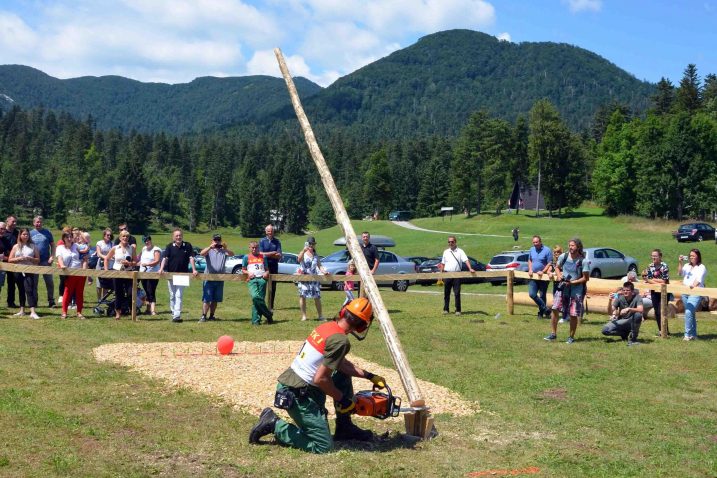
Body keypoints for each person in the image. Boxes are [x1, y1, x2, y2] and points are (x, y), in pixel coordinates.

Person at [249, 298, 387, 453]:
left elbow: (338, 363)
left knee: (341, 375)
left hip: (296, 384)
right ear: (362, 326)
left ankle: (344, 428)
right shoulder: (341, 341)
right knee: (323, 446)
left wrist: (369, 376)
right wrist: (343, 399)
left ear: (343, 312)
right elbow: (321, 379)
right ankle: (274, 424)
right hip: (297, 393)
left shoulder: (328, 327)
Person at [544, 237, 589, 344]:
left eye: (572, 245)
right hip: (562, 286)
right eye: (569, 245)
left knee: (573, 313)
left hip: (576, 289)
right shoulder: (563, 256)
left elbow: (586, 278)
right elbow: (557, 267)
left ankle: (571, 337)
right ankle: (553, 334)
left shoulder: (584, 261)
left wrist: (572, 282)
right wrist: (559, 276)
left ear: (578, 247)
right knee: (555, 308)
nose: (570, 247)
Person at [159, 228, 197, 323]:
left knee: (179, 295)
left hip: (183, 275)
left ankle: (177, 315)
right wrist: (161, 268)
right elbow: (165, 258)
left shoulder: (187, 245)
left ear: (182, 236)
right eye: (176, 235)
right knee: (172, 295)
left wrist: (194, 269)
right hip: (170, 274)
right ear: (173, 237)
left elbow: (191, 258)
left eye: (180, 235)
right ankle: (173, 312)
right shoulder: (169, 246)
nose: (178, 237)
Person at [199, 234, 234, 322]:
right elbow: (201, 253)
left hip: (220, 278)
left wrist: (225, 248)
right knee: (207, 298)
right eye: (215, 240)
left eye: (219, 240)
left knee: (215, 299)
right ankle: (203, 316)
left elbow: (232, 254)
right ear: (212, 241)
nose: (217, 242)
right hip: (209, 277)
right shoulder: (209, 250)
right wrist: (210, 247)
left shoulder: (223, 251)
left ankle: (211, 315)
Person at [8, 228, 41, 319]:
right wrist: (19, 259)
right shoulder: (16, 246)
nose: (26, 236)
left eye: (27, 234)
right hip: (18, 271)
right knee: (21, 290)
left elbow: (38, 260)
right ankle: (22, 310)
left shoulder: (33, 246)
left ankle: (32, 311)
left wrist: (30, 258)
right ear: (20, 235)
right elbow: (10, 260)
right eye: (24, 234)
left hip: (29, 271)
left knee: (29, 289)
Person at [438, 235, 475, 316]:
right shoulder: (445, 252)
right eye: (449, 242)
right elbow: (442, 264)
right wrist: (440, 275)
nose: (450, 243)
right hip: (447, 274)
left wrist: (470, 268)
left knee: (457, 293)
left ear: (455, 242)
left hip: (457, 274)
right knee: (446, 293)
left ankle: (458, 310)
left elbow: (466, 260)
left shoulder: (460, 251)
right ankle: (446, 309)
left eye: (452, 242)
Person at [104, 230, 136, 320]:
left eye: (127, 237)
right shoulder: (115, 248)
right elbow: (106, 259)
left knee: (130, 293)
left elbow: (135, 261)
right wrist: (106, 271)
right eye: (123, 236)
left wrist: (129, 263)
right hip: (117, 272)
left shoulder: (131, 248)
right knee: (119, 293)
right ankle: (118, 313)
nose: (125, 238)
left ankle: (132, 311)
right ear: (120, 238)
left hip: (128, 272)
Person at [56, 231, 88, 319]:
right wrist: (62, 265)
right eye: (67, 237)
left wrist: (84, 269)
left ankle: (79, 312)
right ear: (63, 239)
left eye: (70, 237)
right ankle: (64, 312)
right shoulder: (60, 248)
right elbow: (59, 258)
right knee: (67, 292)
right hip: (69, 273)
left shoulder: (76, 246)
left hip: (80, 272)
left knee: (79, 293)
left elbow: (85, 252)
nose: (69, 239)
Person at [601, 281, 644, 345]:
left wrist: (629, 309)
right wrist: (610, 301)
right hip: (622, 321)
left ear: (632, 291)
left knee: (638, 315)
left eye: (627, 290)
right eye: (624, 290)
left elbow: (640, 309)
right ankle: (624, 334)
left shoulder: (637, 297)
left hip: (632, 320)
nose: (625, 292)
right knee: (605, 330)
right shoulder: (620, 298)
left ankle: (633, 339)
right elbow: (610, 312)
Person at [242, 241, 274, 325]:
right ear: (249, 248)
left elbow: (267, 270)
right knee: (255, 297)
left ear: (258, 248)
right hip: (252, 280)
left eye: (256, 247)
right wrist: (248, 273)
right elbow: (243, 269)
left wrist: (266, 273)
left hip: (262, 280)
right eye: (252, 247)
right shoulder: (246, 257)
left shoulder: (263, 257)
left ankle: (255, 321)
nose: (254, 249)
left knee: (258, 301)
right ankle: (268, 314)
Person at [297, 236, 328, 321]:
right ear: (307, 244)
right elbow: (299, 259)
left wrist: (324, 272)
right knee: (302, 296)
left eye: (313, 244)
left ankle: (320, 316)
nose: (311, 245)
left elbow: (320, 266)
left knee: (317, 297)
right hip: (304, 278)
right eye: (310, 243)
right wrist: (303, 250)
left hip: (314, 278)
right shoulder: (303, 253)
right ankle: (304, 316)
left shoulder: (316, 255)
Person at [678, 248, 706, 341]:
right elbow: (680, 273)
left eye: (693, 256)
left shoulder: (701, 267)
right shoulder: (686, 265)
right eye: (690, 256)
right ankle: (694, 335)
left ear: (698, 257)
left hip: (695, 292)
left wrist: (692, 287)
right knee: (691, 313)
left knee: (688, 312)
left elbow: (698, 280)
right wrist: (680, 262)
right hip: (685, 292)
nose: (691, 257)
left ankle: (687, 335)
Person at [643, 249, 670, 337]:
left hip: (664, 292)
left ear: (660, 257)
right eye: (652, 256)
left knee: (661, 311)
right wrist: (656, 281)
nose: (653, 257)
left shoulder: (664, 266)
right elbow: (649, 279)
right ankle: (661, 330)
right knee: (656, 312)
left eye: (655, 256)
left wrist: (651, 280)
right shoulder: (650, 266)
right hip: (654, 291)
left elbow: (665, 281)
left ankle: (664, 330)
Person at [29, 215, 55, 307]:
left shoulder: (47, 232)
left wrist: (52, 256)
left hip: (45, 261)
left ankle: (51, 301)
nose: (38, 224)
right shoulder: (30, 233)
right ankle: (34, 301)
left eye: (40, 222)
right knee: (34, 283)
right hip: (34, 261)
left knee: (49, 282)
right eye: (37, 222)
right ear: (33, 223)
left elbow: (52, 245)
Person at [527, 235, 552, 319]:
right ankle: (545, 309)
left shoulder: (547, 250)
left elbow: (549, 263)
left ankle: (541, 314)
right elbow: (530, 260)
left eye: (536, 242)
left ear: (540, 242)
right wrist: (530, 269)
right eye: (533, 242)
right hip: (533, 276)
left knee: (542, 295)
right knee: (532, 294)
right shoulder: (531, 249)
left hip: (543, 277)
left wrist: (543, 271)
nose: (535, 244)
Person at [259, 224, 282, 312]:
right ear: (266, 232)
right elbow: (260, 254)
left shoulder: (277, 241)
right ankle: (262, 304)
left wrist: (267, 255)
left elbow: (279, 255)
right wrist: (273, 253)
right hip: (263, 267)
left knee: (273, 287)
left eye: (271, 231)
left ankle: (271, 306)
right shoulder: (262, 241)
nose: (270, 232)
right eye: (268, 231)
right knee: (262, 286)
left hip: (274, 267)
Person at [138, 235, 162, 316]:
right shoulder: (144, 249)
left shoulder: (156, 249)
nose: (147, 242)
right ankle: (148, 309)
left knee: (151, 291)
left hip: (153, 274)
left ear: (150, 240)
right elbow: (140, 259)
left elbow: (157, 261)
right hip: (143, 273)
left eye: (148, 240)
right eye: (145, 241)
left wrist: (147, 264)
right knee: (146, 291)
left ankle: (153, 310)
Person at [4, 214, 19, 308]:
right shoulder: (2, 232)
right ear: (7, 221)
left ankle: (11, 302)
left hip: (12, 261)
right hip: (2, 260)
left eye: (15, 222)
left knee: (11, 283)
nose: (14, 223)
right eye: (13, 221)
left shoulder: (17, 233)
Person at [95, 228, 114, 301]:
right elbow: (99, 254)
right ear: (104, 235)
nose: (109, 236)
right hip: (100, 264)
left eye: (110, 235)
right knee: (98, 284)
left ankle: (104, 298)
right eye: (107, 235)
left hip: (109, 264)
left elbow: (113, 254)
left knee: (105, 283)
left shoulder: (112, 244)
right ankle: (99, 298)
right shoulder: (99, 243)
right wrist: (107, 257)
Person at [0, 222, 9, 304]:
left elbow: (8, 255)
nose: (2, 231)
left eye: (4, 229)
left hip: (2, 267)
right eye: (1, 229)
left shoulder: (5, 240)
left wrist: (4, 257)